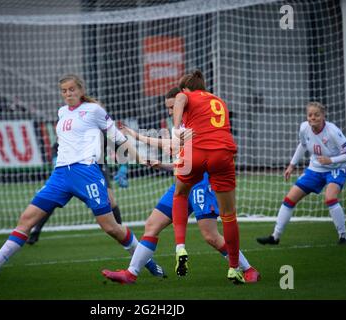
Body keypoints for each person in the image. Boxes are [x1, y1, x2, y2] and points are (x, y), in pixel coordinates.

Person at [0, 74, 165, 278]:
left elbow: (118, 138)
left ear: (81, 90)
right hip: (60, 175)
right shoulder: (62, 112)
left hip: (86, 173)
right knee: (26, 220)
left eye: (72, 89)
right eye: (64, 90)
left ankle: (146, 261)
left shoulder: (94, 110)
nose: (68, 93)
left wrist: (140, 159)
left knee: (111, 227)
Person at [101, 87, 260, 284]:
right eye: (168, 108)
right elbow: (178, 156)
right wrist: (154, 156)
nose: (169, 112)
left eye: (171, 107)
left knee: (210, 236)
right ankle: (131, 273)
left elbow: (175, 149)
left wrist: (136, 136)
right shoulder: (183, 125)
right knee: (151, 225)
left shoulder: (194, 124)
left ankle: (248, 268)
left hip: (200, 184)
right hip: (181, 184)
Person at [171, 70, 243, 284]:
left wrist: (176, 129)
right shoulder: (218, 100)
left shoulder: (185, 96)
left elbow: (180, 99)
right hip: (222, 152)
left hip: (196, 150)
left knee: (180, 194)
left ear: (186, 88)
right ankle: (233, 268)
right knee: (229, 215)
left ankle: (181, 247)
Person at [257, 101, 346, 246]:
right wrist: (291, 165)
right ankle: (275, 237)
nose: (313, 118)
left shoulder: (332, 131)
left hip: (335, 168)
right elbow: (303, 145)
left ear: (323, 116)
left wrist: (330, 160)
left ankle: (343, 237)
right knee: (289, 199)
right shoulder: (304, 128)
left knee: (330, 198)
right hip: (315, 169)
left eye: (316, 115)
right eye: (310, 115)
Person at [26, 140, 127, 245]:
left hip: (97, 167)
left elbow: (120, 146)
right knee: (51, 201)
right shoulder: (66, 135)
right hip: (71, 170)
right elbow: (56, 152)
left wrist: (123, 167)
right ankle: (36, 230)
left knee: (110, 200)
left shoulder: (99, 131)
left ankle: (120, 232)